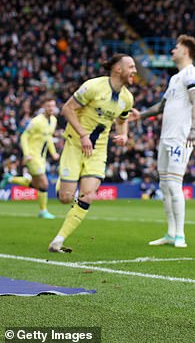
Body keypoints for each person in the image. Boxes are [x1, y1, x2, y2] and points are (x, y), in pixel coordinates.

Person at [47, 54, 136, 253]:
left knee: (88, 195)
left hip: (98, 151)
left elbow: (122, 121)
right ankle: (63, 184)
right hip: (75, 144)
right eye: (131, 66)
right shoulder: (93, 87)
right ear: (118, 69)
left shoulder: (127, 98)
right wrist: (83, 134)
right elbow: (67, 109)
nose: (135, 71)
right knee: (65, 197)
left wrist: (123, 135)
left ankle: (58, 240)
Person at [130, 35, 195, 249]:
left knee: (173, 184)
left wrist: (194, 129)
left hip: (181, 137)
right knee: (164, 185)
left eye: (176, 48)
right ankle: (171, 233)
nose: (172, 51)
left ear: (186, 52)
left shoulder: (192, 74)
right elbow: (161, 107)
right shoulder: (175, 78)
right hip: (166, 137)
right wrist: (140, 116)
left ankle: (180, 235)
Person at [0, 98, 59, 218]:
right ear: (44, 107)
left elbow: (48, 138)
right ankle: (43, 211)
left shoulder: (53, 120)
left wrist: (53, 153)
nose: (51, 108)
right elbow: (24, 136)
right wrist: (27, 154)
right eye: (48, 106)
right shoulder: (36, 121)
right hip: (32, 156)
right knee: (44, 184)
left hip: (42, 157)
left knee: (36, 184)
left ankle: (10, 179)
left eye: (53, 106)